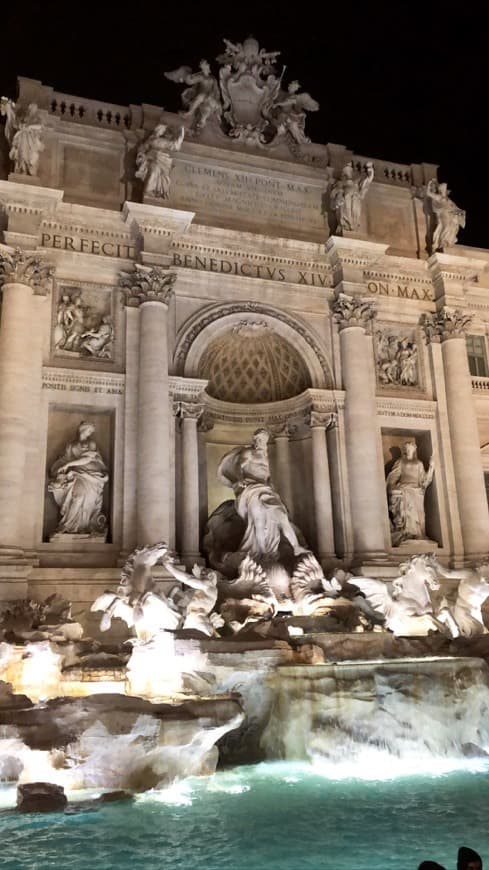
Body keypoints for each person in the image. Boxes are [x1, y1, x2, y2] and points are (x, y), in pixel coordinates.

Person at [217, 428, 307, 561]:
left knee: (282, 517)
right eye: (258, 440)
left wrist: (271, 486)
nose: (260, 442)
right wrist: (239, 479)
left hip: (266, 490)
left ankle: (296, 547)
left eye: (263, 440)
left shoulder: (265, 456)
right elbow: (238, 467)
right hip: (251, 490)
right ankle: (263, 553)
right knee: (258, 521)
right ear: (254, 441)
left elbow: (267, 475)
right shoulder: (249, 453)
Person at [48, 421, 108, 536]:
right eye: (89, 430)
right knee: (78, 496)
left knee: (87, 501)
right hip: (76, 474)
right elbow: (65, 459)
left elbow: (87, 459)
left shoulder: (91, 443)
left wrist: (68, 465)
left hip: (91, 475)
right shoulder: (71, 445)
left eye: (91, 431)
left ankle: (83, 527)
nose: (90, 433)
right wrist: (59, 468)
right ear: (83, 429)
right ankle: (67, 526)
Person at [386, 440, 434, 545]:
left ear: (414, 449)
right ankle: (407, 534)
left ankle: (418, 534)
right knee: (407, 513)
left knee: (418, 514)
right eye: (406, 448)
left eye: (410, 448)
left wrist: (431, 467)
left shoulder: (419, 463)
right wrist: (392, 488)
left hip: (417, 492)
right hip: (404, 490)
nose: (408, 450)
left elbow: (424, 480)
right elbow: (393, 477)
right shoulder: (400, 462)